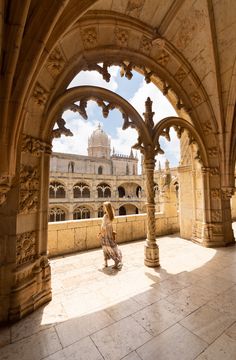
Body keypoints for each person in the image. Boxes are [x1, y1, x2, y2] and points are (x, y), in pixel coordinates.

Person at [98, 201, 122, 269]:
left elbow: (104, 227)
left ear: (106, 208)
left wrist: (100, 234)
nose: (103, 208)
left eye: (104, 207)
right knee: (110, 247)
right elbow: (110, 226)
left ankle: (115, 260)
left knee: (106, 248)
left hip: (105, 235)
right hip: (110, 233)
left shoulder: (105, 216)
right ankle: (108, 262)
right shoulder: (111, 215)